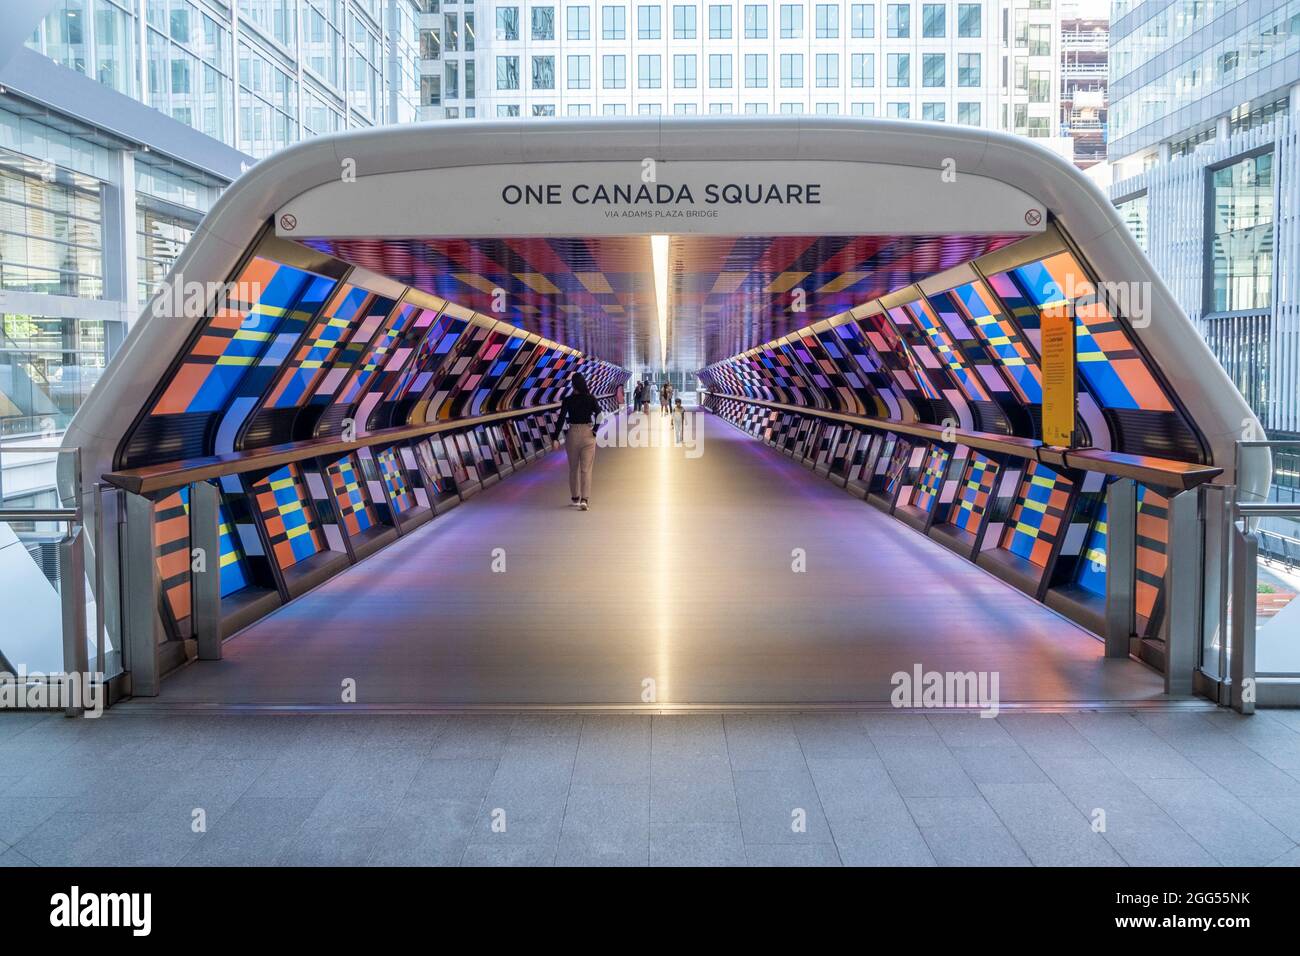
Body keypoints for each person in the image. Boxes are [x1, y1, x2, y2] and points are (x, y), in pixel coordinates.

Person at [552, 371, 601, 510]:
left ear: (573, 385)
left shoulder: (568, 400)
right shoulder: (591, 399)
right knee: (586, 469)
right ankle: (585, 499)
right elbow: (600, 415)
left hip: (572, 434)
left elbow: (561, 418)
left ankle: (575, 497)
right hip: (587, 434)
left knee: (573, 468)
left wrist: (555, 438)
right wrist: (595, 430)